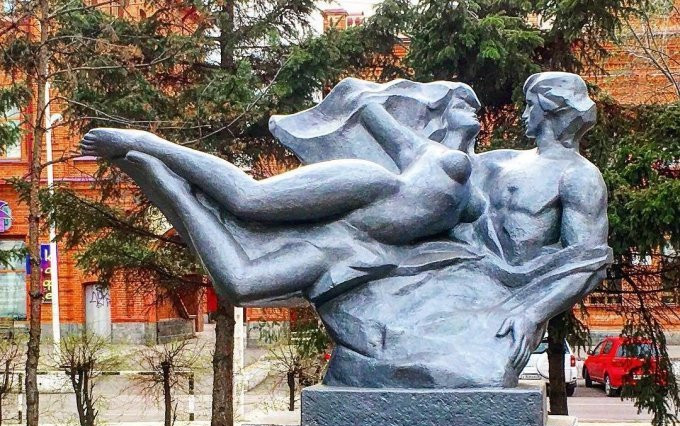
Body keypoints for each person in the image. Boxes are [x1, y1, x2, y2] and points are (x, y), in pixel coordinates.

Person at [81, 96, 480, 304]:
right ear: (443, 112)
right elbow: (371, 114)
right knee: (248, 198)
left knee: (242, 285)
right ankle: (149, 143)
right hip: (366, 186)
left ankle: (172, 191)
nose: (475, 113)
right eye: (464, 106)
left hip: (352, 244)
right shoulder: (433, 154)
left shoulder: (478, 183)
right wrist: (354, 96)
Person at [469, 72, 609, 371]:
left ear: (551, 110)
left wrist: (532, 314)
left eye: (530, 105)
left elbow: (589, 264)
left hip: (516, 300)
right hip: (469, 278)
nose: (523, 114)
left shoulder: (579, 177)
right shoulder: (501, 162)